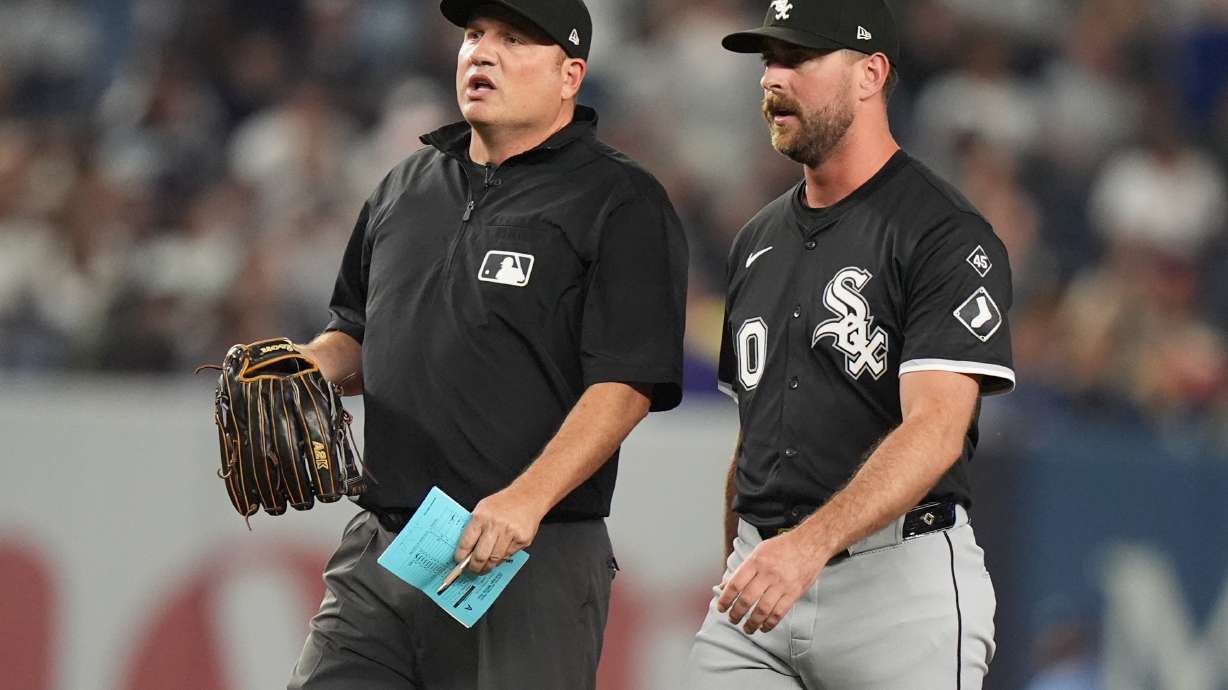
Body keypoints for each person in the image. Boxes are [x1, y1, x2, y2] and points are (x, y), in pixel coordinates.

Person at [284, 1, 689, 688]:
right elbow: (355, 328)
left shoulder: (619, 201)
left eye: (512, 39)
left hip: (527, 552)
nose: (482, 52)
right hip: (387, 542)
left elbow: (628, 383)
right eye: (474, 35)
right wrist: (306, 368)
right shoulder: (403, 186)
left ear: (571, 74)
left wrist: (526, 499)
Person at [685, 1, 1014, 688]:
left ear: (870, 74)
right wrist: (743, 559)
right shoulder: (755, 243)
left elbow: (936, 430)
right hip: (762, 581)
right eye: (768, 60)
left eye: (798, 59)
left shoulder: (943, 233)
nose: (773, 78)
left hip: (896, 587)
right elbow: (753, 443)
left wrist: (806, 547)